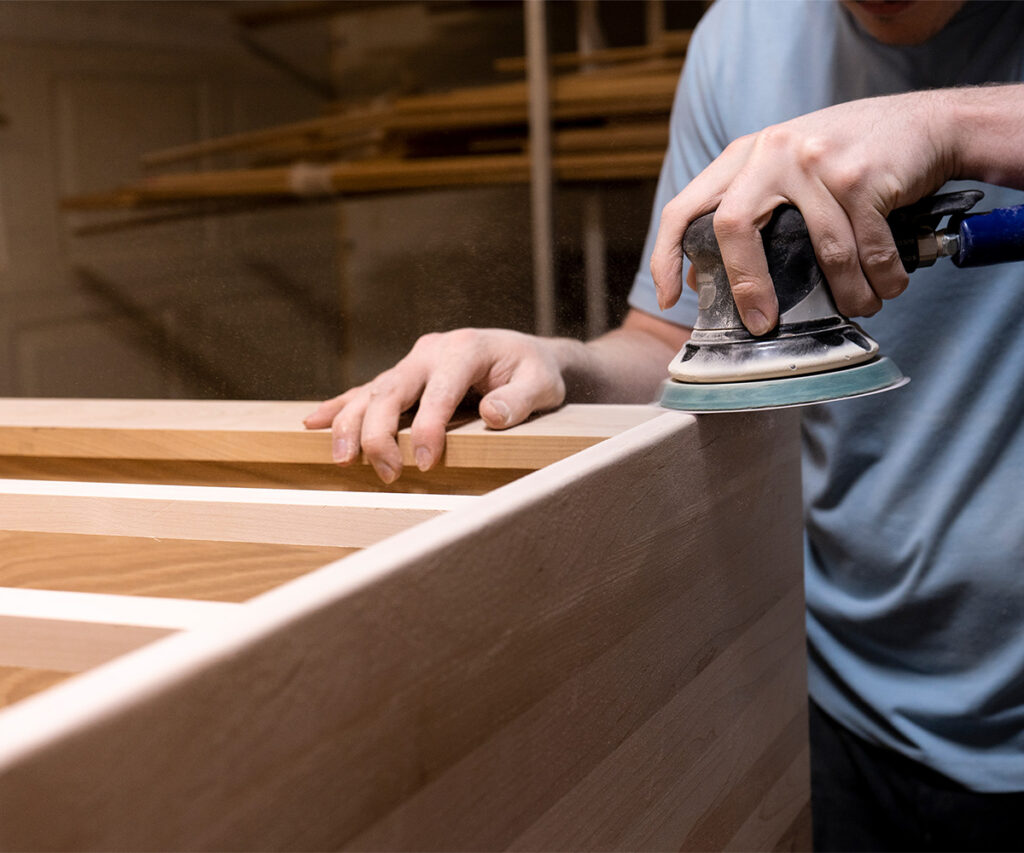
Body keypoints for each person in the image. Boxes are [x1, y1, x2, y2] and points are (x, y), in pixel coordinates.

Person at [305, 2, 1024, 848]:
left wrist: (949, 123)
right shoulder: (741, 35)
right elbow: (676, 344)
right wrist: (560, 364)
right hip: (834, 691)